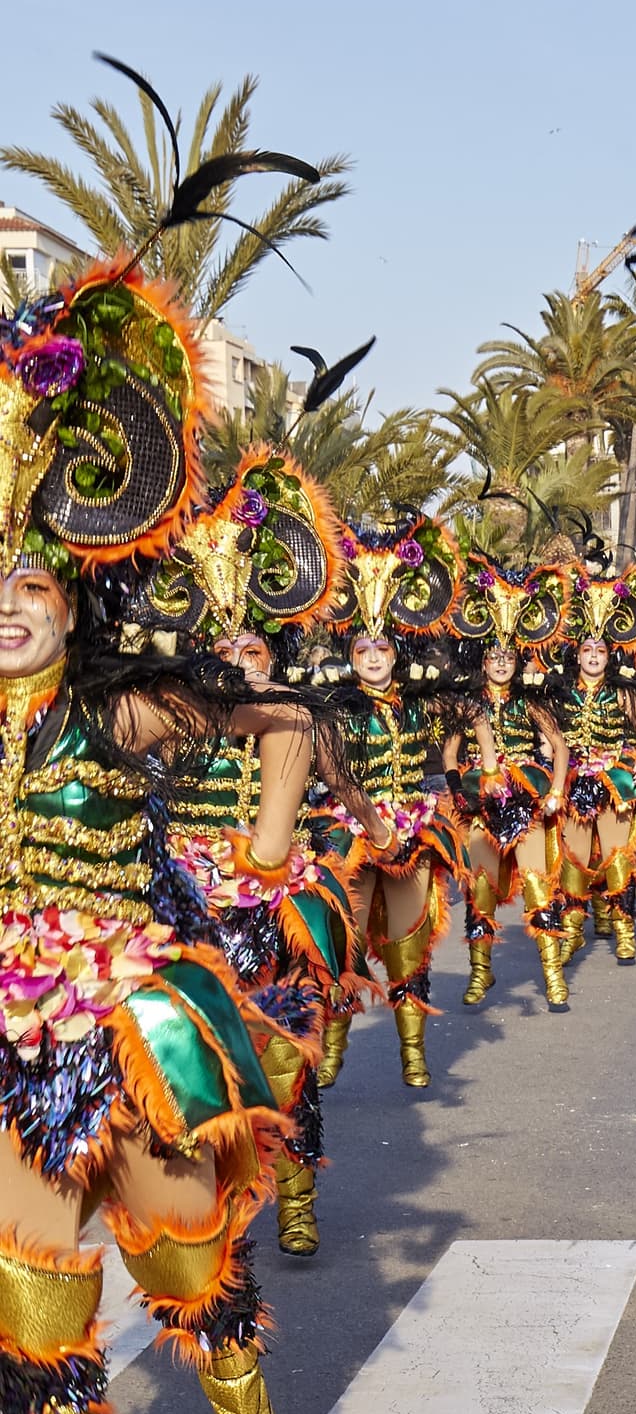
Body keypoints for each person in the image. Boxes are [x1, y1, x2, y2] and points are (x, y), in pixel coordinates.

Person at [0, 262, 315, 1414]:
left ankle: (236, 1391)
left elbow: (286, 722)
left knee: (182, 1256)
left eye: (24, 581)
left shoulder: (124, 716)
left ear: (70, 599)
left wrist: (260, 857)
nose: (3, 606)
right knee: (33, 1301)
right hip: (9, 1041)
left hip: (128, 1021)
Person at [132, 452, 358, 1258]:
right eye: (221, 646)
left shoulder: (291, 715)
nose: (236, 659)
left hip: (269, 901)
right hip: (184, 902)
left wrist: (370, 821)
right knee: (184, 1059)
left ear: (273, 654)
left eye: (251, 649)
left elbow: (323, 781)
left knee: (283, 1055)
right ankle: (210, 1196)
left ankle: (295, 1197)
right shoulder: (171, 714)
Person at [310, 518, 469, 1090]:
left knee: (409, 948)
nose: (373, 655)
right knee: (343, 946)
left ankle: (412, 1052)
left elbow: (457, 731)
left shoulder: (419, 702)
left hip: (410, 835)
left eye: (382, 646)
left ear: (396, 654)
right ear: (349, 653)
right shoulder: (332, 705)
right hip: (351, 835)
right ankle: (332, 1051)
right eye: (362, 646)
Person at [443, 558, 573, 1009]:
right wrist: (458, 787)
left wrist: (556, 790)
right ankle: (481, 974)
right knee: (478, 891)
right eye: (494, 657)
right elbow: (450, 753)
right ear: (483, 660)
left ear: (518, 662)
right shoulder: (468, 704)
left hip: (526, 802)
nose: (501, 664)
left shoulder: (530, 702)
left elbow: (560, 747)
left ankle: (553, 976)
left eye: (509, 657)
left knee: (539, 885)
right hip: (481, 804)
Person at [551, 565, 636, 963]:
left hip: (615, 781)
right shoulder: (561, 692)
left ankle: (625, 931)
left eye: (600, 651)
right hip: (576, 782)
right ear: (577, 655)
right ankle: (572, 931)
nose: (593, 657)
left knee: (617, 857)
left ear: (609, 657)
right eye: (587, 651)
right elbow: (552, 735)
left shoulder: (622, 691)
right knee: (574, 858)